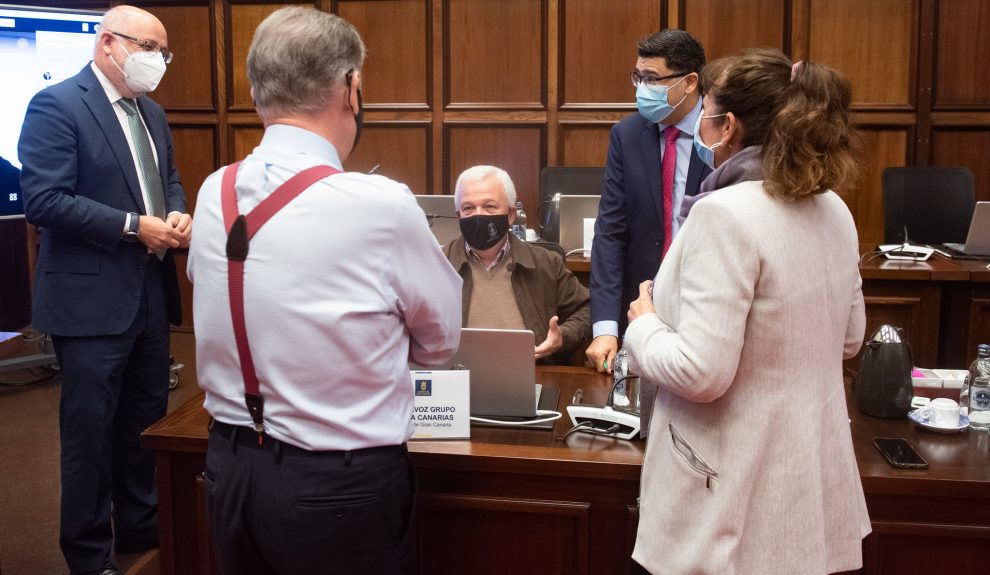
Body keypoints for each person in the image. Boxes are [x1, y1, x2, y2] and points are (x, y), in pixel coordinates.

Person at [187, 7, 462, 574]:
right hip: (340, 488)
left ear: (260, 92)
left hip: (229, 470)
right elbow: (440, 343)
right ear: (350, 88)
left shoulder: (217, 189)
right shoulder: (379, 203)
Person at [624, 48, 870, 574]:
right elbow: (851, 339)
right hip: (806, 490)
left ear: (727, 126)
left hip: (729, 501)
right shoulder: (835, 208)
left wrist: (643, 326)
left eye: (705, 111)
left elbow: (700, 371)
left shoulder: (724, 213)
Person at [18, 6, 189, 574]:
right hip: (88, 302)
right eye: (150, 49)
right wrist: (131, 225)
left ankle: (140, 528)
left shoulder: (153, 114)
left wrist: (177, 214)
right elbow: (45, 200)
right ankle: (89, 556)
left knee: (144, 420)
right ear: (109, 42)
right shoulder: (57, 105)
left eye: (164, 53)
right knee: (90, 434)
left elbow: (167, 179)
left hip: (149, 293)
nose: (157, 62)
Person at [587, 29, 712, 374]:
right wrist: (605, 329)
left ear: (689, 82)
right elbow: (610, 232)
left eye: (653, 79)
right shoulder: (627, 135)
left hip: (703, 307)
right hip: (638, 310)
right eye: (638, 77)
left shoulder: (721, 132)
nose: (642, 89)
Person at [444, 165, 590, 362]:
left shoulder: (546, 264)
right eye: (468, 208)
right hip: (455, 378)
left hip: (533, 373)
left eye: (490, 206)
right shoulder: (436, 265)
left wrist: (562, 336)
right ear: (458, 215)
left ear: (511, 215)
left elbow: (588, 309)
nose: (478, 215)